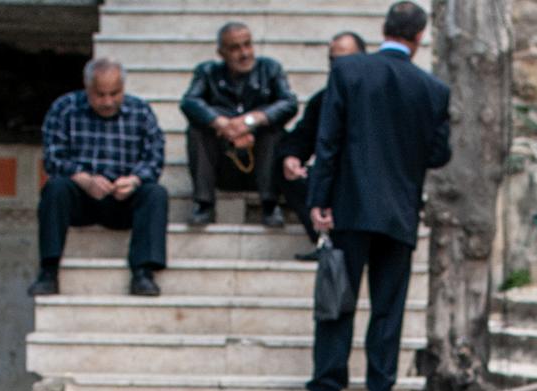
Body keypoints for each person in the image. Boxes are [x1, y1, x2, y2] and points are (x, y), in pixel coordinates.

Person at [287, 2, 450, 391]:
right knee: (388, 311)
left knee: (337, 301)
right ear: (419, 38)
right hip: (400, 215)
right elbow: (439, 153)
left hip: (349, 207)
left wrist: (319, 198)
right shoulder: (432, 90)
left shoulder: (349, 72)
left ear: (384, 29)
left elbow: (329, 139)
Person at [33, 58, 168, 297]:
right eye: (100, 94)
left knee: (155, 193)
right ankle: (48, 271)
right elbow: (53, 157)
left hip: (124, 198)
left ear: (123, 88)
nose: (107, 101)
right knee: (55, 188)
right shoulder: (64, 108)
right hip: (81, 196)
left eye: (114, 94)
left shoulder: (140, 111)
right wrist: (82, 178)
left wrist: (134, 180)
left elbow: (154, 157)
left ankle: (143, 272)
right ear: (87, 88)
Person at [181, 23, 298, 227]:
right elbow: (189, 102)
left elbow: (289, 103)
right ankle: (204, 203)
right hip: (224, 161)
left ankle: (270, 203)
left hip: (261, 161)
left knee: (274, 130)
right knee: (197, 130)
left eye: (247, 45)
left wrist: (250, 122)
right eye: (235, 48)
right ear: (221, 52)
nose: (244, 53)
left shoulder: (270, 69)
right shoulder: (207, 72)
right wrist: (222, 124)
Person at [280, 32, 368, 260]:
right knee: (292, 174)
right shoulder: (323, 99)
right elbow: (303, 135)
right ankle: (325, 239)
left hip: (366, 179)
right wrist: (292, 157)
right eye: (333, 60)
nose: (338, 66)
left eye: (345, 59)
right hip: (330, 176)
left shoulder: (375, 97)